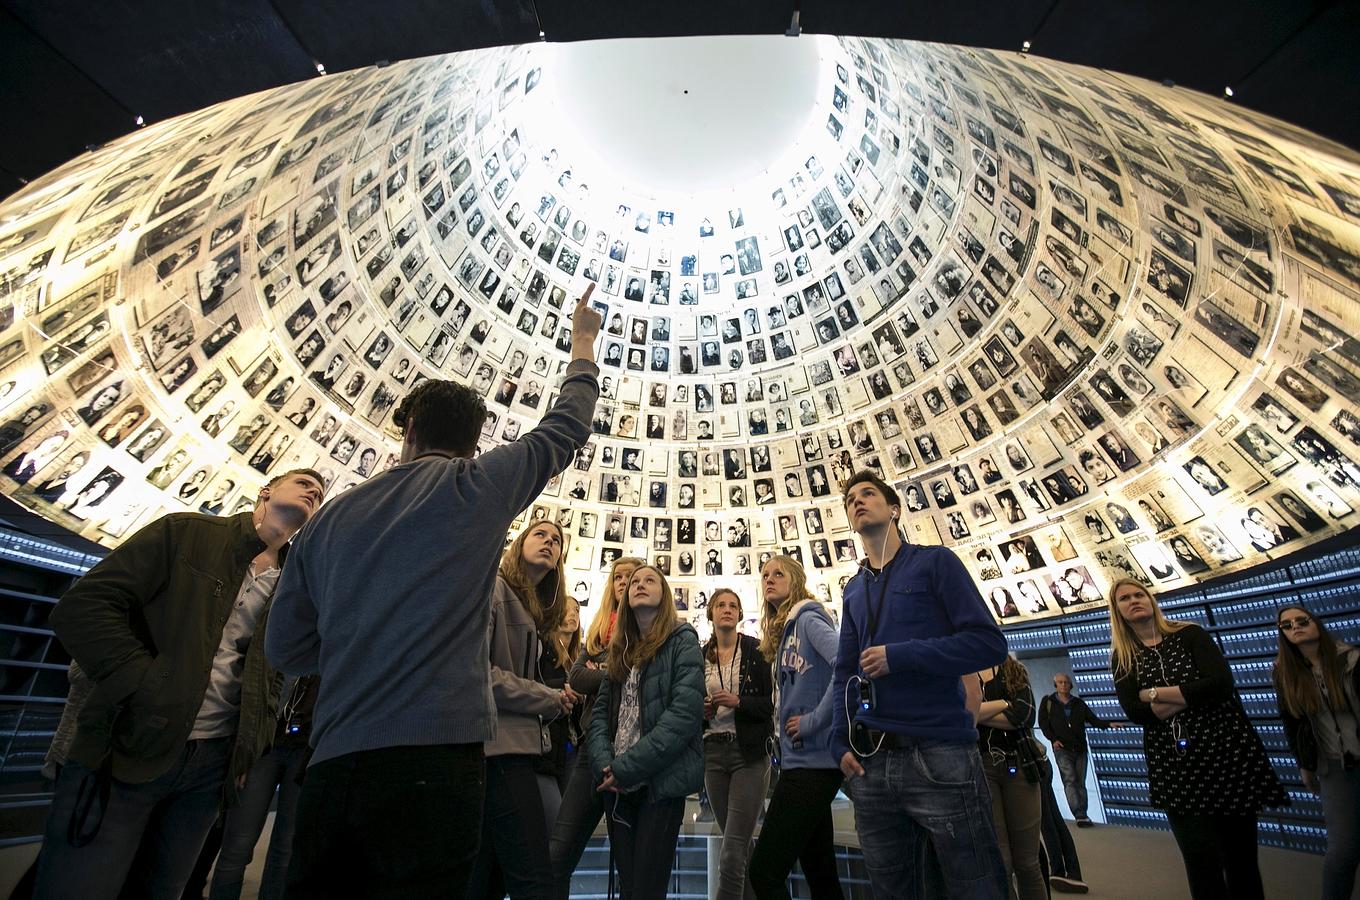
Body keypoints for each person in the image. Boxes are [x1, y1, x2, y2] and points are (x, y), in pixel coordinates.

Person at [266, 286, 601, 898]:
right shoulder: (477, 488)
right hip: (438, 760)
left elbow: (285, 648)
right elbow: (566, 427)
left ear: (410, 427)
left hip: (335, 761)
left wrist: (359, 646)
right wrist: (582, 341)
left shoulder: (328, 520)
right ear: (476, 444)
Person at [33, 468, 325, 900]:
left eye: (319, 495)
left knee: (163, 890)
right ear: (266, 490)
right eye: (303, 482)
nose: (314, 491)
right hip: (129, 744)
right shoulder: (186, 533)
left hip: (212, 767)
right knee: (81, 883)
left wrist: (250, 745)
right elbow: (84, 606)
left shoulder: (292, 584)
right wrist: (143, 685)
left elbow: (275, 672)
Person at [831, 471, 1008, 900]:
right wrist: (838, 741)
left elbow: (988, 644)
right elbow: (843, 674)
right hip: (872, 763)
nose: (857, 501)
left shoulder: (935, 562)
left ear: (894, 508)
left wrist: (902, 655)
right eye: (850, 498)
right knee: (893, 888)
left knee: (975, 883)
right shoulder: (853, 590)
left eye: (868, 493)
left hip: (940, 753)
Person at [1108, 579, 1286, 900]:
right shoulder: (1123, 658)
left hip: (1226, 754)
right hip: (1175, 767)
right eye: (1125, 598)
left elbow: (1219, 684)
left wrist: (1156, 694)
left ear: (1151, 599)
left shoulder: (1191, 634)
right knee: (1200, 858)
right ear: (1116, 610)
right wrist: (1189, 693)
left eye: (1139, 594)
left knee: (1240, 858)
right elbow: (1135, 711)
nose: (1134, 601)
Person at [467, 520, 576, 899]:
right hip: (498, 749)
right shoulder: (493, 589)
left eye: (557, 540)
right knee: (534, 875)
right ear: (519, 543)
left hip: (512, 746)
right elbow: (476, 673)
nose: (549, 542)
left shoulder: (525, 605)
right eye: (540, 535)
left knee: (488, 877)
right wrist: (548, 698)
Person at [585, 565, 704, 900]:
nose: (639, 584)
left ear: (664, 595)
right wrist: (605, 766)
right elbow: (599, 719)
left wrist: (625, 768)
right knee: (629, 887)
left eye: (650, 580)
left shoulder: (683, 641)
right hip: (617, 786)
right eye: (634, 581)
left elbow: (683, 716)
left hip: (660, 785)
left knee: (647, 891)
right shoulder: (618, 650)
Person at [748, 554, 844, 900]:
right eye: (764, 575)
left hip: (813, 764)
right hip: (800, 762)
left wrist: (812, 721)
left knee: (763, 873)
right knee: (821, 874)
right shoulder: (786, 629)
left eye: (778, 573)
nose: (769, 579)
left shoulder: (807, 619)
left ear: (795, 579)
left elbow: (845, 666)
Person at [550, 556, 644, 900]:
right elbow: (577, 676)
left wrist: (600, 669)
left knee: (631, 870)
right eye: (618, 576)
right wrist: (611, 672)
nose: (623, 581)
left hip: (634, 753)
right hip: (592, 747)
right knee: (557, 854)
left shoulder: (653, 631)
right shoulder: (599, 629)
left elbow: (642, 679)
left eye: (631, 576)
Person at [1273, 604, 1360, 899]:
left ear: (1315, 624)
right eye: (1287, 625)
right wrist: (1304, 764)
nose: (1295, 627)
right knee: (1343, 850)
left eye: (1302, 621)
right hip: (1334, 766)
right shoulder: (1285, 674)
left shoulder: (1351, 659)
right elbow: (1292, 723)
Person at [208, 675, 320, 900]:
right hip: (264, 742)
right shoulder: (286, 641)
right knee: (237, 844)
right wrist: (245, 749)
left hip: (308, 749)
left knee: (286, 849)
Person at [701, 589, 773, 900]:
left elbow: (772, 704)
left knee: (731, 853)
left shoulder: (757, 650)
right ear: (711, 614)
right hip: (713, 753)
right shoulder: (700, 655)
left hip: (749, 755)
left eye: (733, 605)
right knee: (740, 847)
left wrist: (738, 701)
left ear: (740, 614)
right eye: (721, 605)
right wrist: (702, 711)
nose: (727, 610)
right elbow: (687, 707)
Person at [975, 656, 1046, 900]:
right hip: (980, 768)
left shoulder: (1013, 669)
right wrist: (1006, 703)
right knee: (1000, 864)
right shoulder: (960, 672)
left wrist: (980, 712)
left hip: (1019, 764)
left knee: (1028, 863)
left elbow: (1025, 715)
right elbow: (962, 715)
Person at [1037, 673, 1119, 826]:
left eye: (1066, 682)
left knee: (1080, 781)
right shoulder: (1048, 702)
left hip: (1079, 747)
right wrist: (1053, 739)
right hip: (1062, 748)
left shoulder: (1078, 704)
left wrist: (1107, 725)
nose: (1063, 685)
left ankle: (1083, 812)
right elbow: (1043, 723)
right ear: (1055, 685)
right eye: (1060, 682)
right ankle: (1079, 813)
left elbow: (1093, 719)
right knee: (1070, 779)